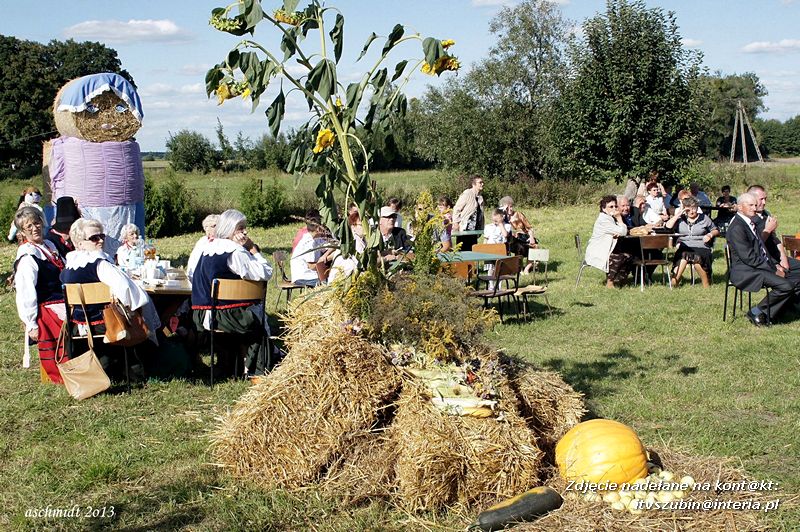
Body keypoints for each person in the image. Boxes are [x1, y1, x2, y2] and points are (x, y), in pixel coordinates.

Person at [60, 218, 161, 377]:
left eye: (102, 236)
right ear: (79, 243)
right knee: (138, 310)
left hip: (77, 323)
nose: (100, 240)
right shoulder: (100, 264)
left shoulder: (69, 266)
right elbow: (127, 290)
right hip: (105, 322)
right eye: (94, 238)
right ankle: (138, 368)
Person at [190, 209, 273, 377]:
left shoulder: (207, 248)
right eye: (240, 228)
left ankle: (229, 363)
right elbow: (265, 272)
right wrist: (253, 249)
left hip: (202, 313)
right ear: (229, 229)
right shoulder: (236, 251)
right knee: (257, 317)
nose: (245, 232)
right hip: (226, 316)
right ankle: (256, 369)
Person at [726, 192, 800, 326]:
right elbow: (749, 258)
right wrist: (774, 270)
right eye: (750, 205)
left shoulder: (749, 222)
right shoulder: (737, 227)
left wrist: (776, 264)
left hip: (757, 266)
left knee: (797, 278)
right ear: (740, 207)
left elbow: (762, 250)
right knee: (786, 285)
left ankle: (778, 312)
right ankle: (757, 311)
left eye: (755, 205)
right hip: (745, 271)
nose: (754, 208)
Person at [13, 207, 67, 383]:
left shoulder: (49, 246)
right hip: (48, 307)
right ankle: (70, 369)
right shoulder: (28, 256)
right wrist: (31, 323)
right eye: (28, 226)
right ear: (22, 232)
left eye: (36, 223)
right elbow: (25, 291)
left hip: (64, 300)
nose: (34, 228)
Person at [747, 184, 800, 288]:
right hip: (763, 261)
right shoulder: (747, 219)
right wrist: (768, 229)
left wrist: (784, 259)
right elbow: (755, 245)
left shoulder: (766, 214)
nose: (764, 202)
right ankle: (772, 303)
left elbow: (776, 240)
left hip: (776, 257)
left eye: (765, 199)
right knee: (792, 280)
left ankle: (790, 302)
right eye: (761, 199)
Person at [665, 196, 719, 287]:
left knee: (697, 260)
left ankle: (706, 283)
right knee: (683, 257)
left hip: (701, 245)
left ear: (697, 208)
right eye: (689, 209)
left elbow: (716, 230)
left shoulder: (704, 218)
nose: (692, 211)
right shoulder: (680, 219)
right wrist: (679, 214)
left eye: (694, 208)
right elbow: (668, 227)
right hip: (685, 245)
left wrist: (710, 235)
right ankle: (675, 282)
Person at [585, 195, 632, 288]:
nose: (614, 209)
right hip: (598, 250)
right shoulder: (604, 220)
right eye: (611, 207)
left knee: (629, 256)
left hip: (607, 247)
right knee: (619, 256)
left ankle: (620, 280)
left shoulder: (609, 218)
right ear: (603, 208)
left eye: (615, 206)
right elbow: (623, 231)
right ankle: (610, 282)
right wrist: (619, 218)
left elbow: (619, 231)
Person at [452, 176, 485, 251]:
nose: (482, 184)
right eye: (480, 182)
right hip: (465, 229)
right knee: (462, 252)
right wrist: (456, 223)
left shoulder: (480, 198)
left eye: (482, 182)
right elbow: (457, 209)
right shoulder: (467, 193)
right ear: (474, 184)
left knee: (472, 251)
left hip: (474, 230)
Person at [186, 214, 219, 282]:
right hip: (197, 282)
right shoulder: (202, 241)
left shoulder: (225, 244)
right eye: (206, 226)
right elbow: (192, 264)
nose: (209, 229)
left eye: (213, 226)